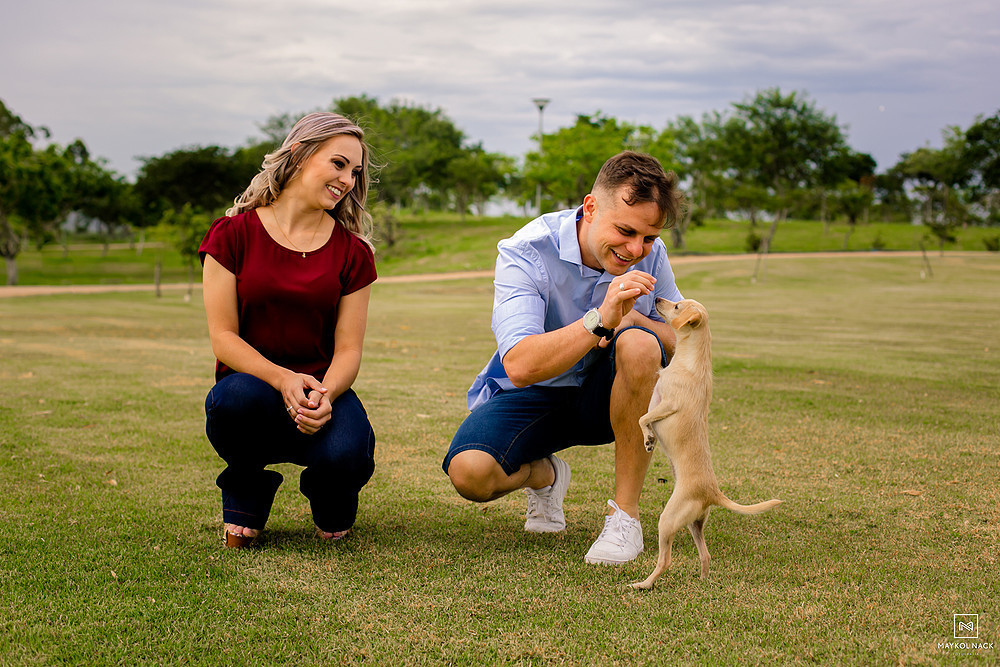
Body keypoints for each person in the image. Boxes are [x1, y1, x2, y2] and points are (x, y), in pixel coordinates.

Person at [442, 151, 685, 565]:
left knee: (641, 343)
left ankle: (625, 518)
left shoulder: (651, 252)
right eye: (625, 231)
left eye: (648, 238)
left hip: (609, 396)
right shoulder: (525, 251)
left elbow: (681, 340)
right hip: (535, 392)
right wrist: (600, 320)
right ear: (590, 208)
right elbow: (520, 365)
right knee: (470, 473)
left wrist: (631, 323)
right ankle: (546, 475)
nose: (636, 249)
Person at [199, 112, 378, 548]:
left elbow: (349, 350)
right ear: (298, 154)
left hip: (322, 391)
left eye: (355, 172)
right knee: (232, 401)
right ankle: (246, 490)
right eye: (338, 164)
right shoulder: (232, 235)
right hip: (253, 391)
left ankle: (331, 495)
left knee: (350, 453)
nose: (347, 180)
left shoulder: (353, 252)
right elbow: (223, 337)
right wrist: (282, 379)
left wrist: (324, 396)